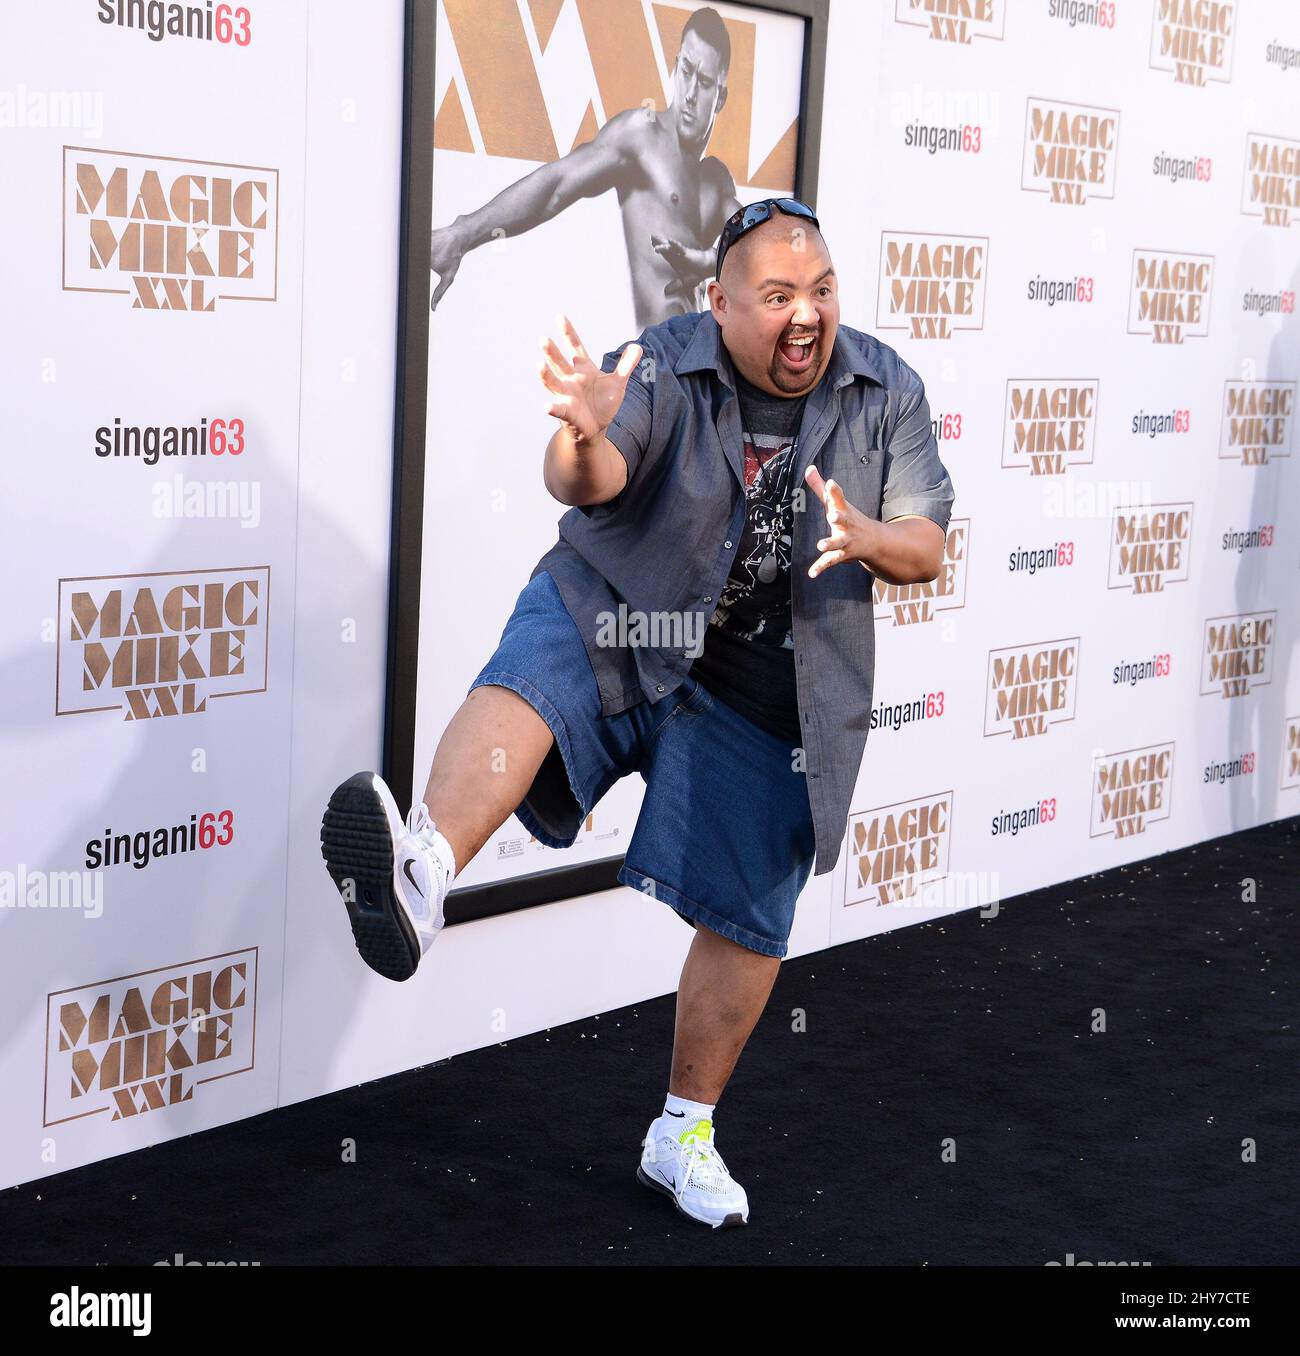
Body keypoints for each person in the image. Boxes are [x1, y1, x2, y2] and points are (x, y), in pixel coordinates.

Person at [322, 199, 956, 1229]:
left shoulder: (886, 389)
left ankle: (682, 1134)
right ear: (719, 304)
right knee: (540, 668)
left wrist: (871, 536)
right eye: (779, 295)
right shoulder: (661, 360)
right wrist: (580, 436)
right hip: (631, 610)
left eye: (823, 289)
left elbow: (928, 545)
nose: (807, 315)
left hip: (768, 676)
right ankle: (421, 873)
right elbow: (593, 474)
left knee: (752, 911)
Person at [429, 5, 741, 327]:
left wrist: (709, 262)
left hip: (701, 370)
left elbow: (764, 253)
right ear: (675, 68)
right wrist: (462, 234)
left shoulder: (717, 181)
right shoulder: (643, 135)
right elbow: (556, 186)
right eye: (686, 71)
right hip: (653, 368)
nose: (689, 94)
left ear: (720, 97)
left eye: (703, 82)